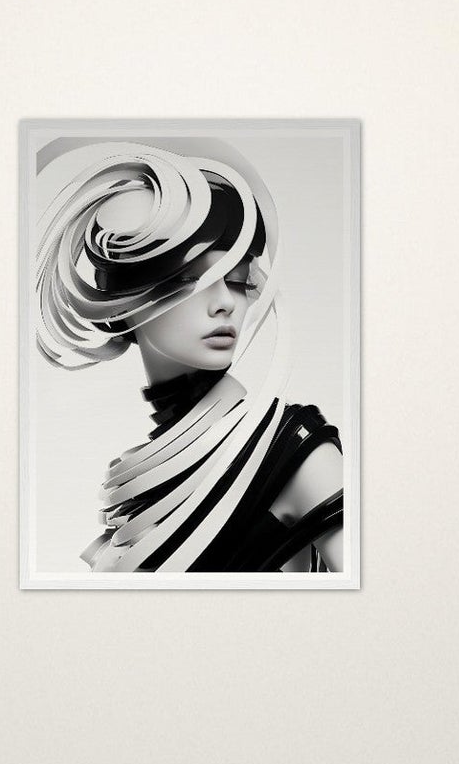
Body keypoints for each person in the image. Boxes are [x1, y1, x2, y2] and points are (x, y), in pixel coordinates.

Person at [34, 140, 344, 574]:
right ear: (125, 301)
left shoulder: (294, 453)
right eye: (188, 278)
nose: (225, 303)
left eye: (237, 279)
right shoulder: (138, 488)